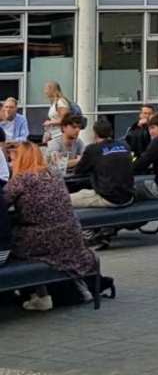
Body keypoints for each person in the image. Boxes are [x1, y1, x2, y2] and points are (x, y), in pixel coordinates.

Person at [4, 143, 98, 311]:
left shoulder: (20, 180)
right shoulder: (54, 174)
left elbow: (2, 202)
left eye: (13, 158)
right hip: (71, 235)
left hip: (42, 239)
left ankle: (38, 295)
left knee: (11, 247)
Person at [68, 120, 134, 208]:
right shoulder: (125, 145)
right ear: (111, 132)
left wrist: (78, 160)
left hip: (110, 199)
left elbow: (78, 171)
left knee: (63, 200)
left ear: (95, 133)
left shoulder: (92, 149)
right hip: (129, 197)